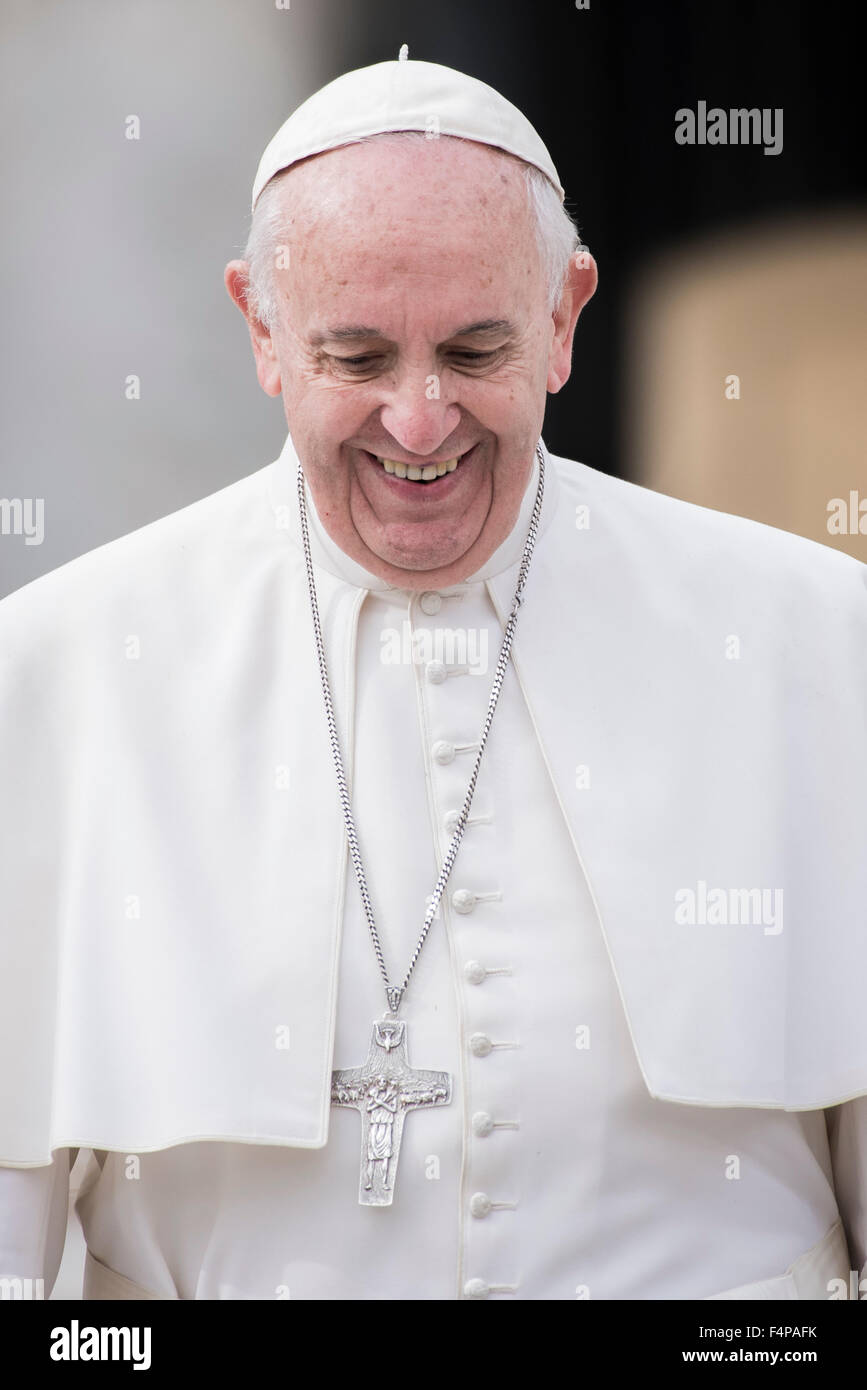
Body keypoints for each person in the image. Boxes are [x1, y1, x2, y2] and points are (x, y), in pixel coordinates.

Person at [1, 55, 866, 1302]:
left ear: (566, 317)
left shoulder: (809, 636)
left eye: (474, 350)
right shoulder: (67, 670)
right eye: (355, 359)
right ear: (261, 330)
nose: (419, 422)